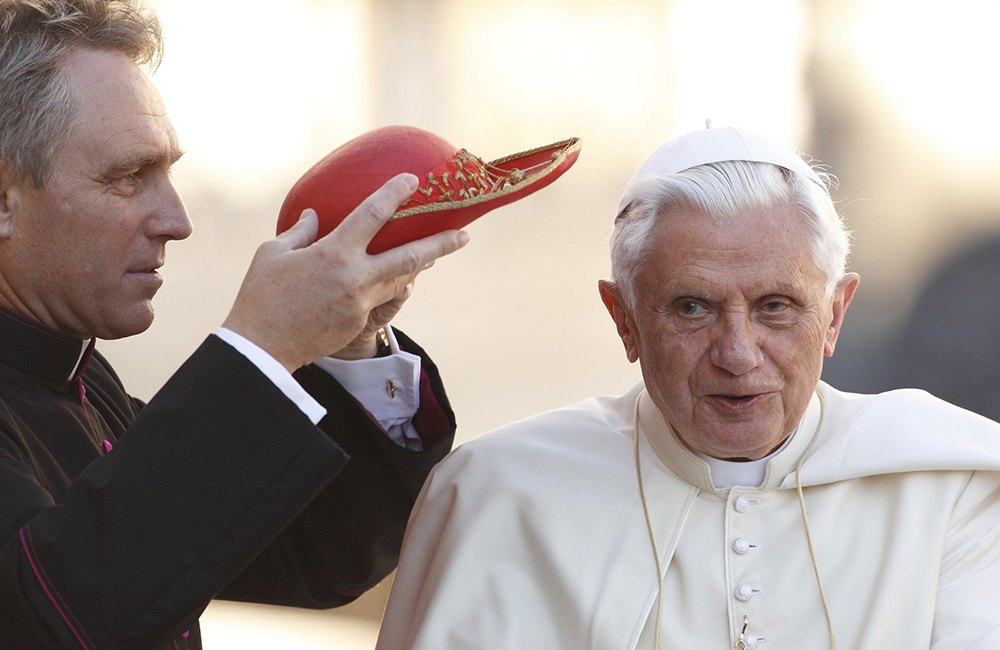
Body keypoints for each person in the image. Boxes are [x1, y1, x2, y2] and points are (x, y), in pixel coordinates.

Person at [376, 126, 1000, 649]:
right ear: (625, 320)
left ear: (834, 314)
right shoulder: (502, 495)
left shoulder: (951, 486)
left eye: (775, 307)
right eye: (693, 308)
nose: (737, 355)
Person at [0, 1, 470, 648]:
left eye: (168, 172)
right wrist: (263, 344)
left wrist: (353, 341)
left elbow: (317, 555)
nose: (177, 219)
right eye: (130, 178)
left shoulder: (77, 376)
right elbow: (58, 614)